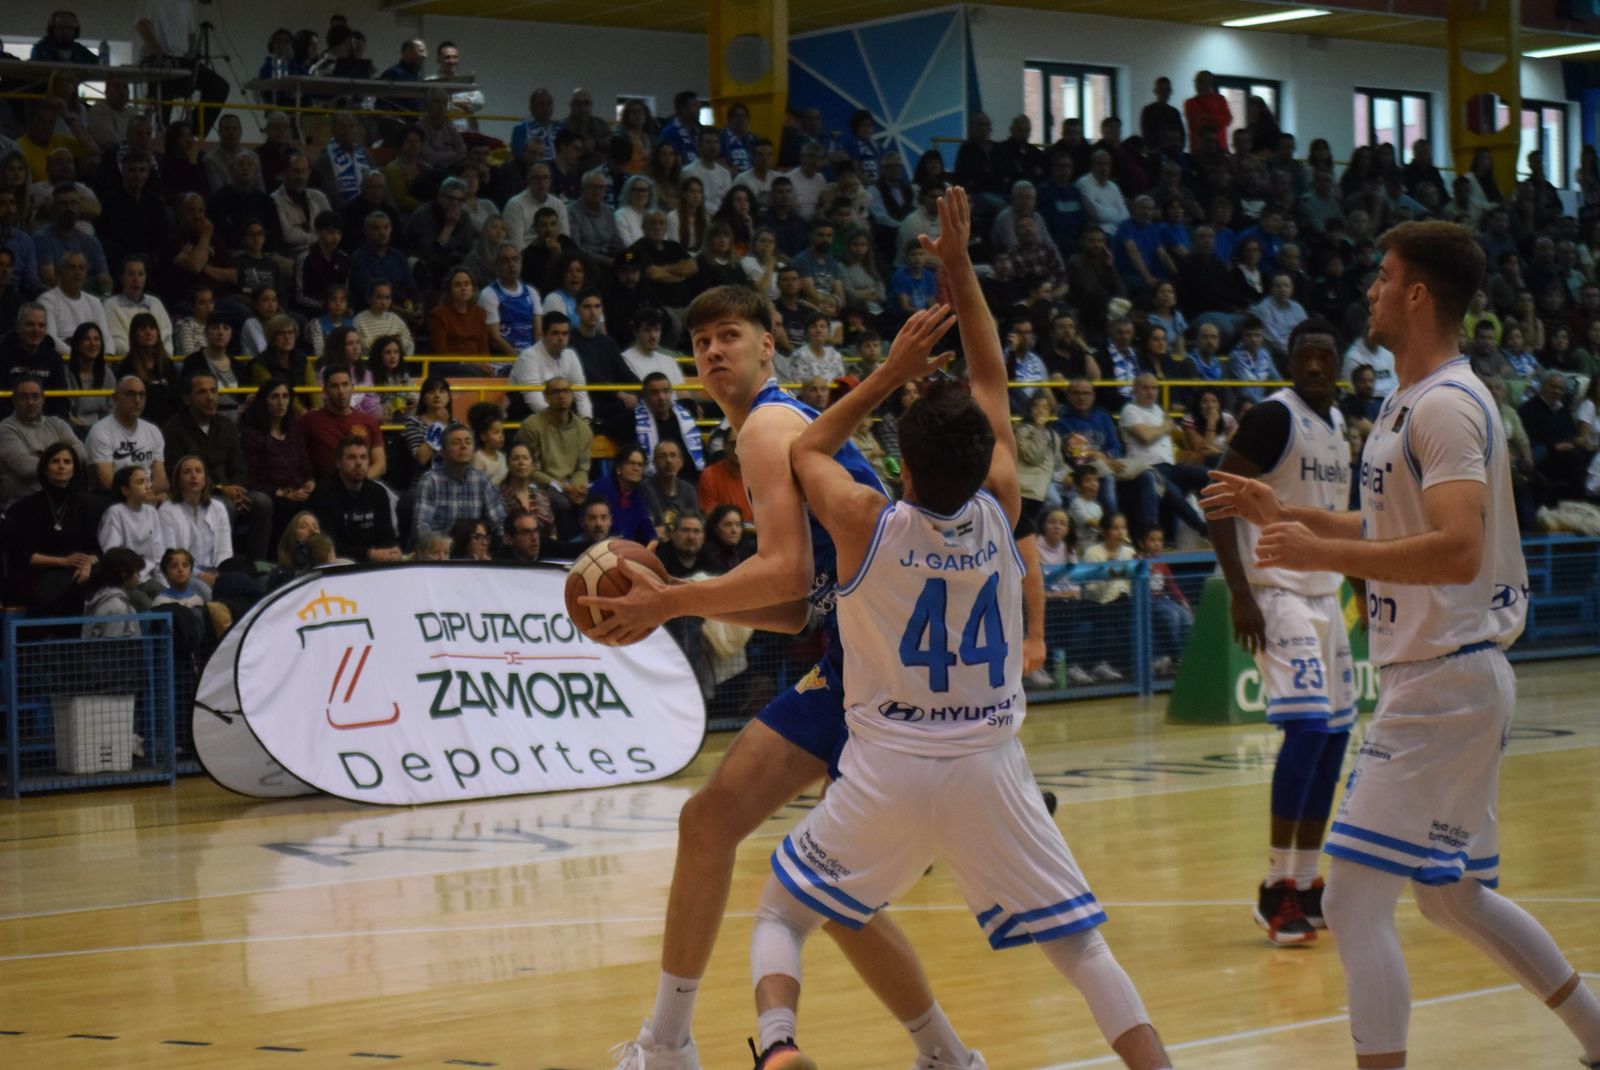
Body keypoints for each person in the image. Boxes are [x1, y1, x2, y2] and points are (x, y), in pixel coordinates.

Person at [747, 188, 1171, 1068]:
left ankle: (780, 1047)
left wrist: (887, 373)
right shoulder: (1002, 504)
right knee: (1080, 947)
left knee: (784, 912)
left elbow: (806, 448)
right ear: (983, 461)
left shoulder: (864, 519)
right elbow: (990, 376)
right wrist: (960, 265)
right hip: (989, 767)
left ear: (900, 464)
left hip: (885, 768)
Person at [1203, 220, 1600, 1070]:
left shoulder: (1448, 405)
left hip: (1443, 678)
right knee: (1452, 897)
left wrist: (1322, 557)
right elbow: (1391, 526)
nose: (1372, 291)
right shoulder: (1404, 401)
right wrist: (1289, 515)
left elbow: (1457, 548)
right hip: (1451, 677)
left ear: (1418, 295)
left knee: (1350, 900)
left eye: (1384, 277)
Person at [1204, 317, 1356, 946]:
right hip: (1277, 591)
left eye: (1325, 355)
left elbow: (1340, 521)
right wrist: (1240, 593)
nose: (1315, 365)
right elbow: (1216, 499)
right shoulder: (1272, 418)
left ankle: (1308, 881)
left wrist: (1362, 589)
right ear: (1289, 361)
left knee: (1335, 739)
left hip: (1325, 592)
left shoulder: (1340, 422)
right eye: (1305, 355)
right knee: (1308, 730)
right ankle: (1274, 887)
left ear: (1339, 363)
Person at [162, 371, 273, 563]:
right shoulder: (174, 429)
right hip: (198, 493)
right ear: (187, 399)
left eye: (213, 391)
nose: (210, 397)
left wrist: (237, 489)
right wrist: (221, 489)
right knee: (223, 506)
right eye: (202, 392)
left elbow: (239, 466)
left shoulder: (226, 425)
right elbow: (179, 473)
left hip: (232, 491)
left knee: (262, 502)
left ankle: (258, 563)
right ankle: (223, 563)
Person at [307, 435, 402, 563]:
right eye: (351, 457)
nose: (358, 463)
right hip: (337, 563)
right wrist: (368, 554)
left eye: (363, 457)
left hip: (375, 562)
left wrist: (392, 551)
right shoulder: (323, 494)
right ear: (338, 463)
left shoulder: (378, 493)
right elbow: (326, 545)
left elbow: (387, 537)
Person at [413, 422, 505, 546]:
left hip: (471, 551)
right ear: (442, 452)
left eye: (468, 442)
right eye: (456, 443)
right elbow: (421, 526)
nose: (463, 446)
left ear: (474, 450)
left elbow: (499, 522)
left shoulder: (481, 480)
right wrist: (438, 549)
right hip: (438, 550)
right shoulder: (430, 480)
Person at [0, 374, 82, 508]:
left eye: (35, 396)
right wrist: (63, 460)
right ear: (14, 401)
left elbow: (82, 453)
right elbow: (25, 467)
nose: (30, 402)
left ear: (43, 399)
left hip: (60, 501)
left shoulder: (57, 424)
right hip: (20, 504)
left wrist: (40, 456)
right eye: (23, 397)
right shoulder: (5, 429)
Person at [295, 364, 387, 483]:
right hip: (323, 488)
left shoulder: (368, 421)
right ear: (325, 390)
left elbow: (380, 463)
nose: (341, 391)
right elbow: (293, 457)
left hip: (363, 486)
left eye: (345, 385)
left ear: (352, 387)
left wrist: (357, 484)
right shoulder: (310, 421)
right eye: (334, 386)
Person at [87, 375, 170, 499]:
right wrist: (142, 497)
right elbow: (108, 482)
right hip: (113, 500)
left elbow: (161, 480)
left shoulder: (153, 431)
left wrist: (149, 497)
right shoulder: (100, 431)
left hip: (148, 496)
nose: (137, 400)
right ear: (115, 398)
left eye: (141, 395)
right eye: (130, 394)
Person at [161, 454, 233, 580]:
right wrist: (202, 576)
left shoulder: (218, 507)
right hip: (183, 576)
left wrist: (219, 574)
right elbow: (171, 556)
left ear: (205, 479)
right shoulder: (167, 510)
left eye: (198, 471)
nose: (194, 476)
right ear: (178, 480)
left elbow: (225, 550)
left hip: (216, 573)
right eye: (187, 472)